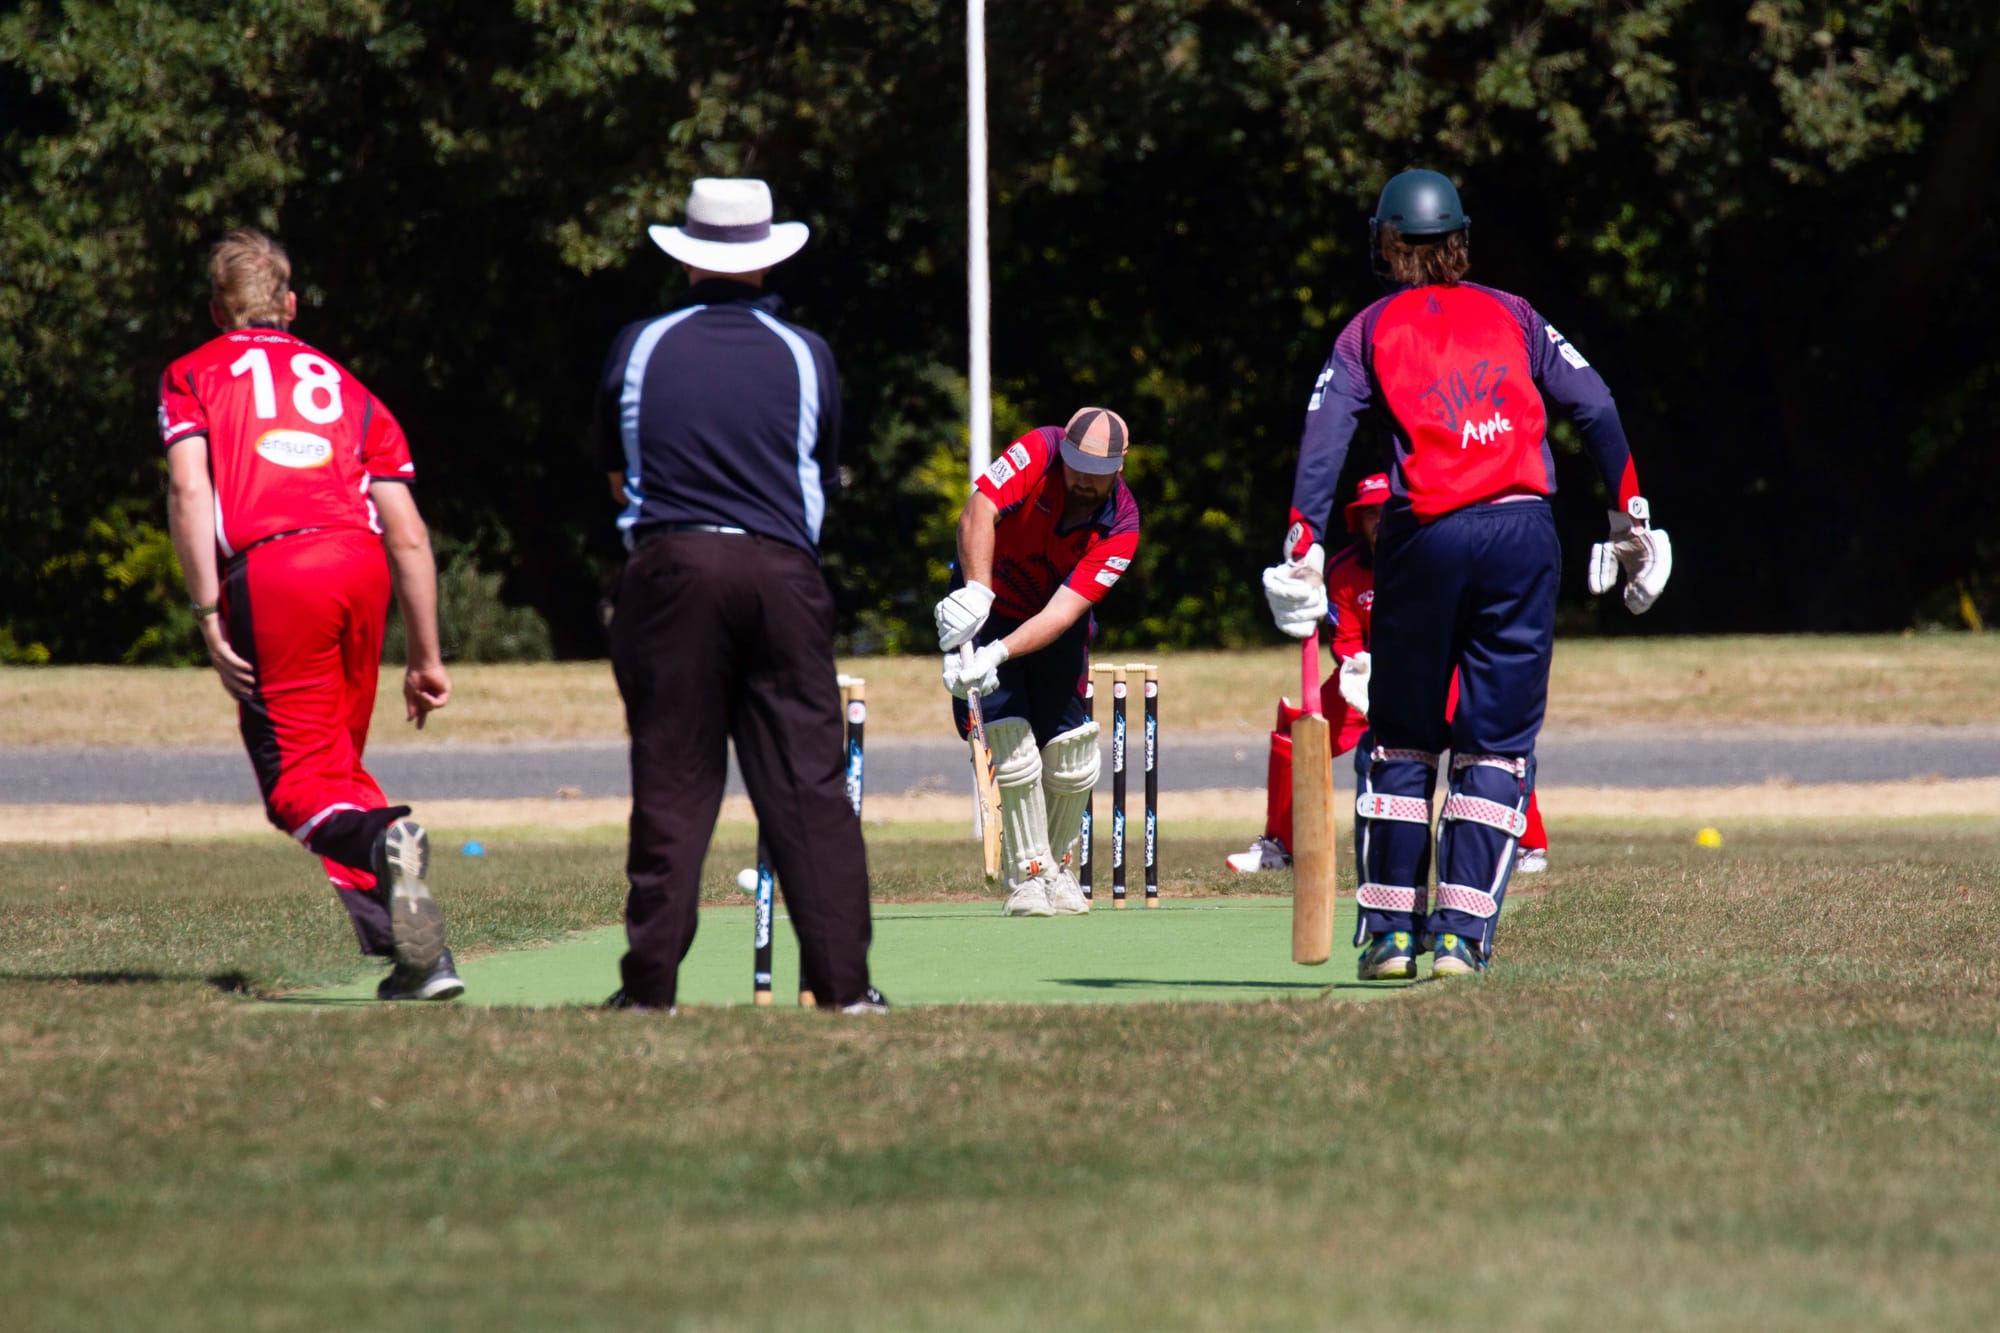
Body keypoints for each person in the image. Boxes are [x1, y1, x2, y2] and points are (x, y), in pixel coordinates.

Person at [1262, 169, 1670, 980]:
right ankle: (1457, 937)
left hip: (1427, 534)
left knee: (1405, 738)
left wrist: (1303, 542)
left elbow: (1324, 436)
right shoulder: (1516, 314)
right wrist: (1631, 512)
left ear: (1386, 244)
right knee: (1497, 744)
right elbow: (1594, 404)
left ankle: (1389, 935)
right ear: (1460, 240)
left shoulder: (1367, 330)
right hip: (1525, 531)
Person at [593, 177, 883, 1014]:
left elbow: (619, 474)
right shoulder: (806, 352)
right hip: (781, 572)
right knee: (809, 788)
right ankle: (845, 988)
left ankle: (649, 989)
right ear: (765, 259)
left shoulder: (640, 345)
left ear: (686, 258)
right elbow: (821, 475)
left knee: (674, 781)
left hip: (671, 567)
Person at [158, 227, 461, 1000]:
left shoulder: (193, 374)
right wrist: (426, 655)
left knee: (298, 784)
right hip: (359, 565)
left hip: (276, 570)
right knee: (334, 769)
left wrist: (206, 613)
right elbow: (410, 533)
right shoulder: (352, 390)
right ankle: (420, 960)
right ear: (290, 304)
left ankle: (385, 835)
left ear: (215, 311)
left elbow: (192, 491)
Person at [1227, 473, 1550, 874]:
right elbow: (1343, 637)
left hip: (1437, 671)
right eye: (1370, 514)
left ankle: (1526, 845)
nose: (1380, 522)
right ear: (1358, 522)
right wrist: (1359, 666)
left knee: (1494, 733)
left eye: (1388, 511)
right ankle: (1279, 846)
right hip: (1366, 679)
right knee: (1296, 733)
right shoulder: (1345, 569)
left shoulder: (1437, 558)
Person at [935, 409, 1142, 917]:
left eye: (1098, 473)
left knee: (1073, 755)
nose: (1082, 480)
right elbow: (979, 510)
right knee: (1012, 745)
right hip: (983, 606)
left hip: (1050, 628)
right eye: (1076, 467)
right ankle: (1028, 878)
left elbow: (1064, 611)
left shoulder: (1123, 525)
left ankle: (1059, 871)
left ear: (1120, 467)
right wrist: (977, 594)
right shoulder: (1040, 449)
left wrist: (1000, 653)